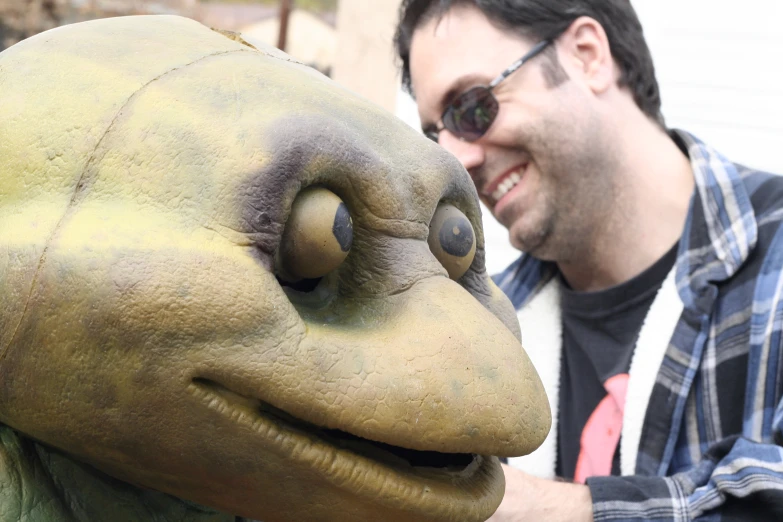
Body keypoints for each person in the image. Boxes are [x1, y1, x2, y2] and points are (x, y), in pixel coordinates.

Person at [394, 1, 783, 521]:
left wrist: (558, 510)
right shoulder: (482, 324)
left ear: (587, 56)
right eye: (434, 134)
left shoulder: (773, 258)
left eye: (472, 107)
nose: (456, 160)